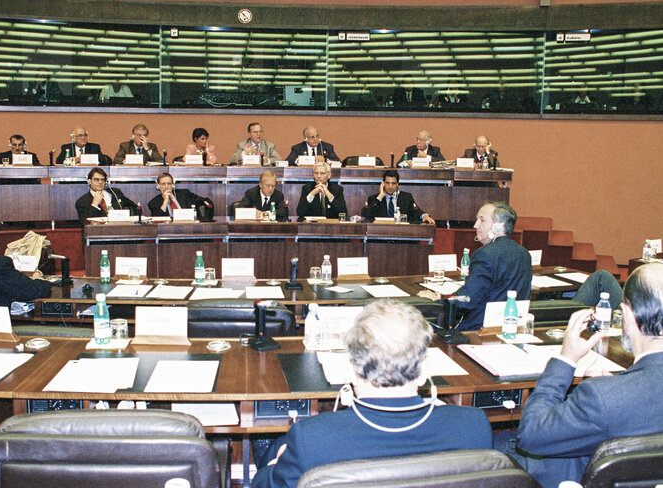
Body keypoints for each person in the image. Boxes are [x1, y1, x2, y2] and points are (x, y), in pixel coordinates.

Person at [252, 300, 493, 488]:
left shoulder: (310, 438)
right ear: (423, 373)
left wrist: (274, 464)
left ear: (352, 371)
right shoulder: (474, 426)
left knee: (275, 448)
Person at [499, 263, 663, 488]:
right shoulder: (607, 395)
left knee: (494, 442)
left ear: (626, 314)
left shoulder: (602, 397)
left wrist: (565, 359)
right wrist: (615, 386)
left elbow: (530, 436)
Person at [421, 202, 531, 330]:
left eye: (482, 220)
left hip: (478, 330)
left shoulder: (485, 254)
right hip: (511, 328)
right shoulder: (524, 253)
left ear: (498, 227)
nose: (475, 225)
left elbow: (467, 300)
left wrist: (436, 300)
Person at [364, 170, 435, 224]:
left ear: (398, 184)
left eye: (393, 183)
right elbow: (366, 214)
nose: (390, 187)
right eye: (387, 183)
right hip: (381, 234)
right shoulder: (374, 199)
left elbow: (415, 211)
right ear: (383, 183)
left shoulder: (406, 197)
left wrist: (425, 215)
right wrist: (380, 197)